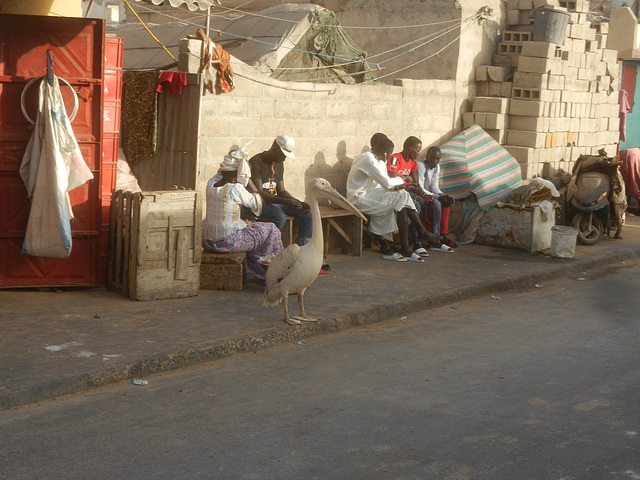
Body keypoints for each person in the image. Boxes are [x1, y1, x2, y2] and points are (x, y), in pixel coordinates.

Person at [346, 132, 440, 263]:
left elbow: (384, 184)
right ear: (385, 152)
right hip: (358, 198)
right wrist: (402, 180)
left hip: (369, 194)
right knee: (401, 197)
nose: (390, 156)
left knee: (401, 197)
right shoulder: (368, 160)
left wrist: (397, 186)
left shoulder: (375, 160)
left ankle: (409, 243)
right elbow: (387, 182)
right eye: (390, 153)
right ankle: (417, 235)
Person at [202, 148, 284, 281]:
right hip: (227, 242)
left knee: (251, 230)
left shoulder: (210, 185)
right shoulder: (235, 188)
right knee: (271, 229)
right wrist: (249, 180)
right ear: (236, 176)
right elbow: (256, 203)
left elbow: (220, 174)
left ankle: (257, 269)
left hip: (207, 240)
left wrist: (237, 162)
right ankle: (274, 269)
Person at [247, 135, 313, 247]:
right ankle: (265, 248)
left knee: (306, 213)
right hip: (259, 203)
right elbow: (259, 193)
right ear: (274, 148)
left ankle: (302, 248)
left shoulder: (279, 163)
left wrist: (297, 202)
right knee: (280, 216)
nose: (284, 158)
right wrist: (285, 201)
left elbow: (281, 190)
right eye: (283, 155)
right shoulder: (256, 161)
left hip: (277, 202)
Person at [387, 136, 431, 257]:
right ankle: (416, 242)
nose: (419, 153)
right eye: (417, 149)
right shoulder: (395, 159)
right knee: (416, 205)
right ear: (410, 148)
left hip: (407, 191)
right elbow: (392, 179)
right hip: (395, 191)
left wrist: (424, 195)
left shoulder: (412, 163)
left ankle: (419, 241)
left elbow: (415, 184)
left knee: (428, 202)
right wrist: (406, 179)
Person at [417, 146, 457, 250]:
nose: (435, 161)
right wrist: (437, 197)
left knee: (446, 203)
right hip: (419, 194)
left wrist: (443, 195)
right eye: (432, 158)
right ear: (427, 157)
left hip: (429, 193)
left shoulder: (437, 167)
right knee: (437, 203)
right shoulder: (421, 166)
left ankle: (442, 235)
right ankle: (434, 238)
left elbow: (434, 186)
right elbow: (420, 188)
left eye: (437, 159)